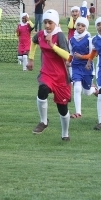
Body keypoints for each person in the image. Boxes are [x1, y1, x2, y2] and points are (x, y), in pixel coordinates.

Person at [27, 9, 72, 141]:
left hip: (61, 77)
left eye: (50, 22)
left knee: (62, 110)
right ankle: (43, 121)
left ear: (56, 23)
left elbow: (68, 57)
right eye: (45, 22)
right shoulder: (41, 34)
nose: (47, 25)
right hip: (47, 73)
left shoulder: (59, 36)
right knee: (42, 90)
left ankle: (65, 134)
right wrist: (31, 59)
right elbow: (34, 41)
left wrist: (52, 45)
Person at [67, 17, 98, 119]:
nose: (80, 27)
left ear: (86, 27)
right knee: (76, 88)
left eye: (83, 25)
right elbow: (71, 53)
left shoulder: (89, 39)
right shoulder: (71, 39)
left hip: (87, 67)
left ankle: (94, 90)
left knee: (86, 92)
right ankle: (78, 112)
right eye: (78, 25)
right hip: (76, 66)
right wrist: (68, 61)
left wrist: (82, 57)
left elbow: (93, 55)